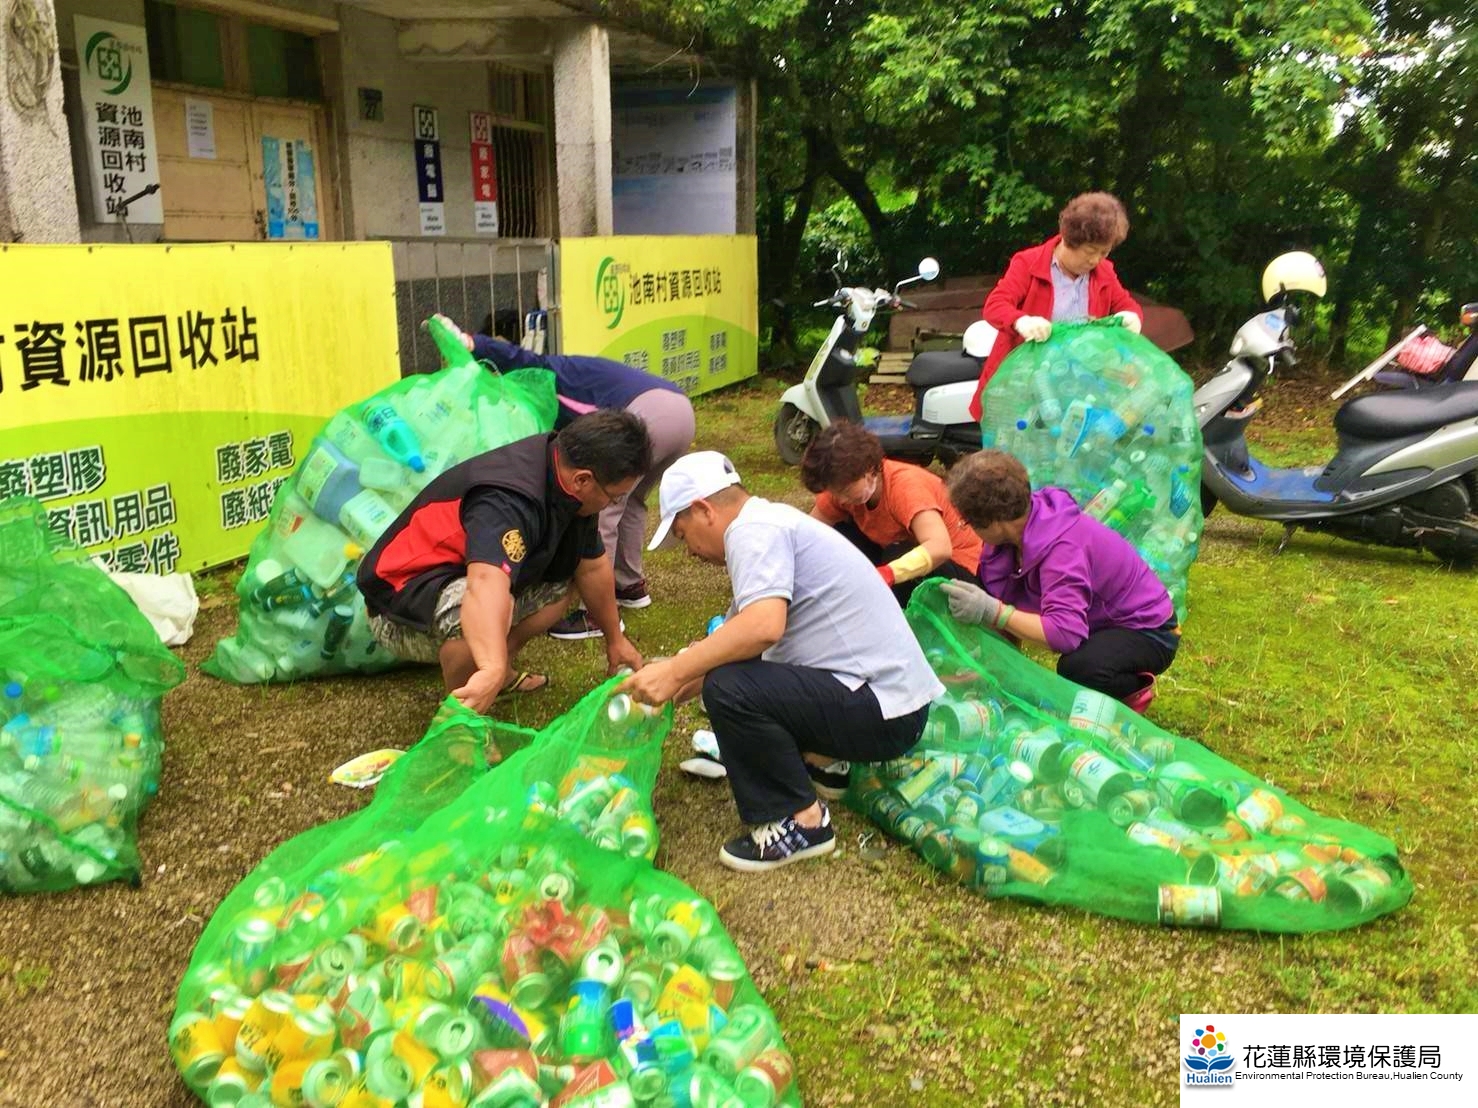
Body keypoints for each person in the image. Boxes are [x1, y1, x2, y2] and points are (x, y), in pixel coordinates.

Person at [618, 451, 943, 873]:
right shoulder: (769, 523)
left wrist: (676, 671)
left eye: (682, 535)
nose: (689, 552)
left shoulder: (753, 530)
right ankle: (827, 764)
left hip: (884, 710)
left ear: (703, 510)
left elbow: (762, 628)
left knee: (730, 688)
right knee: (727, 675)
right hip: (890, 703)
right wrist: (672, 683)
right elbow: (734, 640)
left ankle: (801, 822)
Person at [357, 410, 649, 714]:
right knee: (478, 608)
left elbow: (592, 567)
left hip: (464, 577)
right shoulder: (508, 497)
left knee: (563, 582)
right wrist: (491, 666)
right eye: (614, 497)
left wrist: (615, 639)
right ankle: (461, 718)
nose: (612, 504)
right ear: (583, 480)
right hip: (396, 603)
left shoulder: (568, 480)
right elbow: (484, 586)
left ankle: (497, 671)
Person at [433, 314, 697, 637]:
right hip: (681, 412)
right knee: (632, 499)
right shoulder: (579, 372)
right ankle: (630, 585)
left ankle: (595, 614)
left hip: (648, 415)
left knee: (605, 503)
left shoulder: (552, 375)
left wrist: (473, 344)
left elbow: (523, 360)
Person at [941, 450, 1177, 711]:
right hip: (1094, 622)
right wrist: (988, 661)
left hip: (1147, 629)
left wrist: (993, 611)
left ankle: (1130, 691)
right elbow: (1001, 601)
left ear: (993, 522)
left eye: (968, 523)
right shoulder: (1006, 543)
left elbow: (1064, 634)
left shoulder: (1064, 549)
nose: (969, 529)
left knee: (1080, 669)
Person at [968, 192, 1145, 420]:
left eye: (1104, 252)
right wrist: (1021, 321)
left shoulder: (1104, 272)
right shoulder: (1028, 263)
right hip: (1022, 383)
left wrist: (1132, 316)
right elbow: (996, 304)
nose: (1095, 260)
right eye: (1090, 251)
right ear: (1069, 240)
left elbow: (1126, 304)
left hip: (1073, 386)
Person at [800, 421, 982, 605]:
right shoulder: (842, 490)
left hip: (961, 578)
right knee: (836, 533)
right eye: (835, 492)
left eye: (846, 491)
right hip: (904, 559)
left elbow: (940, 548)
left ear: (868, 470)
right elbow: (807, 534)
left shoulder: (906, 487)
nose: (841, 499)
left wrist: (888, 573)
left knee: (896, 552)